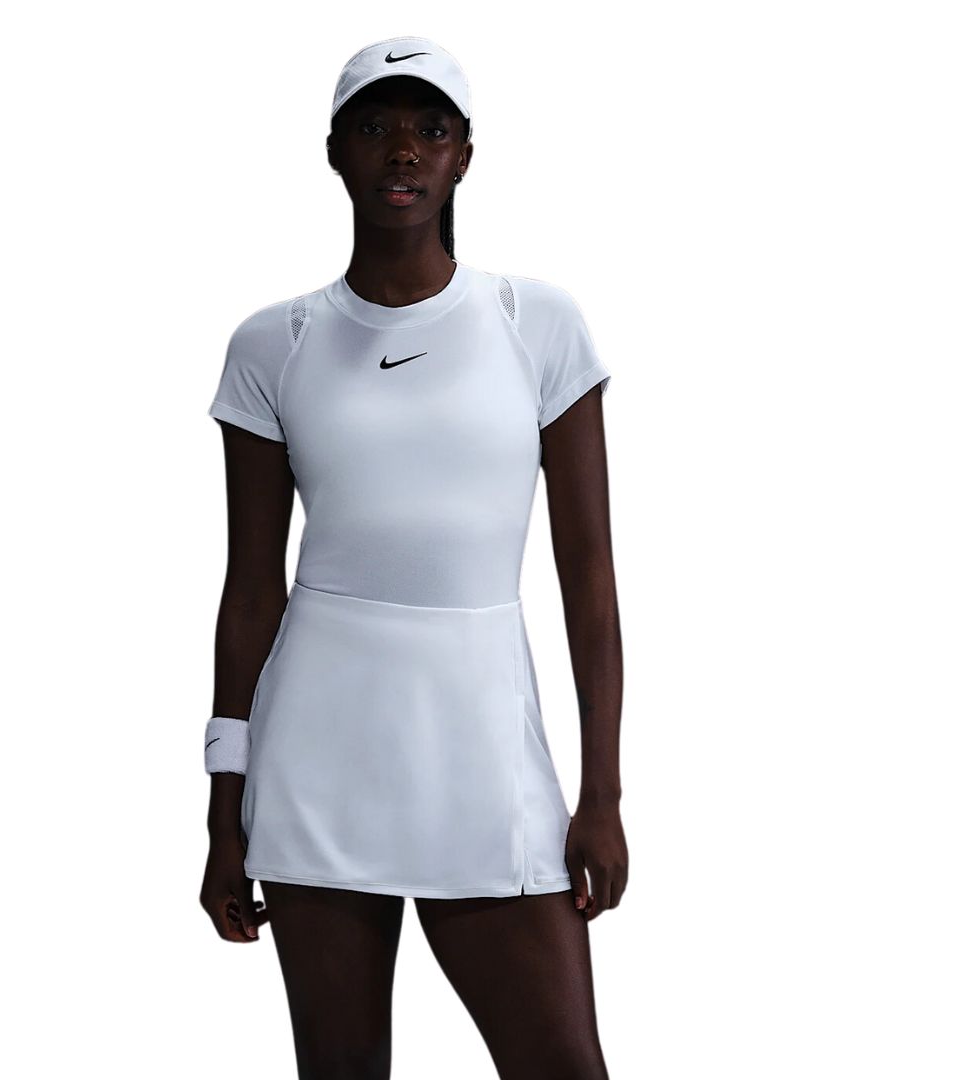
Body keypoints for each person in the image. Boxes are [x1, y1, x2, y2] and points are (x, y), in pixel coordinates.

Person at [199, 36, 627, 1080]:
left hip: (483, 754)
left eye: (430, 129)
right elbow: (250, 592)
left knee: (564, 1065)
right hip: (317, 759)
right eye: (376, 127)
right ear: (335, 151)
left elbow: (589, 579)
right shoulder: (272, 345)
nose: (403, 150)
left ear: (463, 157)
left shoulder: (537, 324)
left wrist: (603, 793)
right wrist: (222, 808)